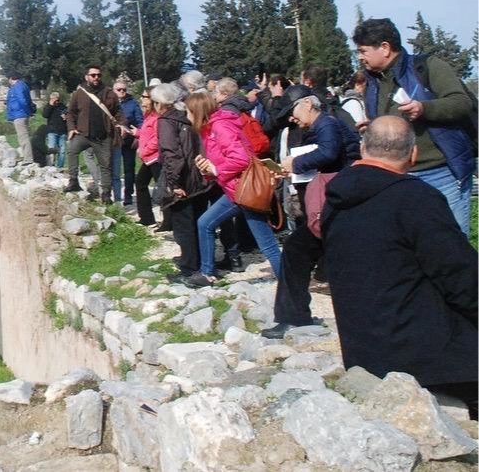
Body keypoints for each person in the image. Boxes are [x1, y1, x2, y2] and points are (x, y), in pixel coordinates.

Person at [322, 115, 479, 420]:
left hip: (364, 352)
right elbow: (459, 275)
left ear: (364, 148)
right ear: (413, 153)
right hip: (421, 354)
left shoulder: (334, 199)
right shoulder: (415, 197)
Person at [353, 18, 475, 233]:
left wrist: (424, 108)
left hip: (441, 172)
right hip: (396, 177)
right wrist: (374, 126)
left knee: (451, 248)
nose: (359, 57)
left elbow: (461, 102)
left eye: (363, 51)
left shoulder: (429, 66)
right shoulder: (373, 82)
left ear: (385, 48)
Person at [260, 87, 360, 338]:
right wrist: (292, 169)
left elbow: (329, 153)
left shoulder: (326, 123)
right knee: (297, 252)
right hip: (329, 206)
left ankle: (294, 318)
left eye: (292, 112)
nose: (292, 119)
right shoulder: (320, 125)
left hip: (333, 206)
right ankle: (294, 317)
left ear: (307, 103)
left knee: (296, 252)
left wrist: (295, 164)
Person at [188, 92, 283, 288]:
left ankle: (288, 280)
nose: (186, 116)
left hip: (245, 190)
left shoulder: (219, 126)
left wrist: (214, 169)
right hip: (235, 189)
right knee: (205, 223)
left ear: (197, 111)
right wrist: (207, 167)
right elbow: (224, 160)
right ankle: (207, 273)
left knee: (267, 243)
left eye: (188, 112)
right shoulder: (210, 128)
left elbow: (241, 159)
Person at [154, 82, 211, 280]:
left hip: (184, 179)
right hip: (199, 177)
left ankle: (189, 267)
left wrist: (174, 183)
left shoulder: (166, 121)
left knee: (183, 225)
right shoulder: (187, 116)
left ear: (161, 103)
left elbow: (172, 154)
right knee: (198, 222)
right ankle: (202, 263)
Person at [64, 65, 126, 203]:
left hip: (103, 137)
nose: (96, 77)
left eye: (98, 75)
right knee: (72, 151)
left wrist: (122, 124)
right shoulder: (79, 93)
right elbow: (70, 113)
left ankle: (106, 195)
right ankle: (73, 181)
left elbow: (118, 111)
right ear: (86, 77)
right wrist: (71, 128)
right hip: (83, 134)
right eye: (93, 75)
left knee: (105, 166)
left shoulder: (109, 93)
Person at [111, 78, 142, 205]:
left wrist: (139, 135)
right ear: (114, 91)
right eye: (119, 90)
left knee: (129, 168)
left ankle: (128, 194)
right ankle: (115, 194)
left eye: (124, 89)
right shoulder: (109, 103)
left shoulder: (133, 103)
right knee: (114, 168)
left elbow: (140, 121)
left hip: (128, 140)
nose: (122, 92)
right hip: (114, 140)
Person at [133, 88, 160, 226]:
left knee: (162, 189)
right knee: (141, 183)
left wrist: (145, 151)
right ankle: (147, 218)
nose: (141, 99)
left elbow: (157, 138)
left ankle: (169, 221)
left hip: (155, 158)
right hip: (148, 159)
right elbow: (146, 134)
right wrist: (137, 133)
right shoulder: (148, 116)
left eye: (144, 96)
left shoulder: (156, 117)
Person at [5, 71, 36, 165]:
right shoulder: (23, 85)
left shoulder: (17, 86)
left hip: (19, 114)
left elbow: (22, 100)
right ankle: (27, 157)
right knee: (23, 136)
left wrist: (25, 110)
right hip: (21, 113)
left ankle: (28, 159)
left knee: (23, 136)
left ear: (11, 78)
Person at [41, 91, 68, 168]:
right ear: (51, 99)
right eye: (55, 100)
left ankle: (60, 167)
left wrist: (65, 116)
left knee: (62, 151)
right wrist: (50, 105)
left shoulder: (62, 106)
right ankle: (50, 166)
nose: (57, 102)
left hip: (62, 131)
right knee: (51, 150)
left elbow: (67, 113)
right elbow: (45, 115)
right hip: (52, 131)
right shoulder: (48, 107)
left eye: (58, 100)